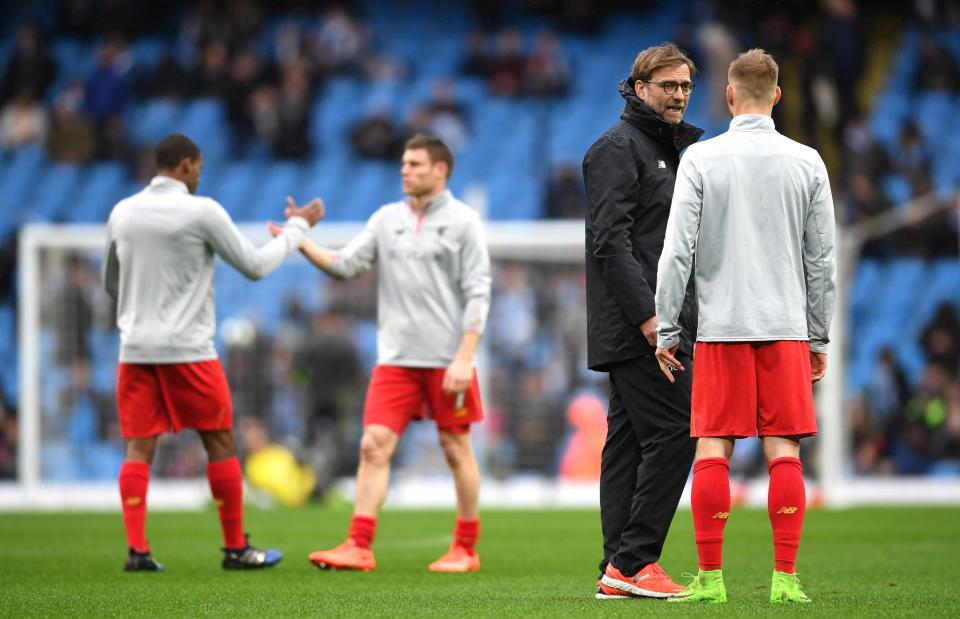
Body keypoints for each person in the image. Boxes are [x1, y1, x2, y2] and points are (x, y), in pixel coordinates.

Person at [654, 49, 836, 604]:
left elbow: (675, 252)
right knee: (785, 450)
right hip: (783, 327)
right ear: (776, 96)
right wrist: (819, 334)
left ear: (729, 96)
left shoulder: (703, 159)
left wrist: (666, 328)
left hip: (720, 326)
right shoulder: (807, 161)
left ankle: (710, 580)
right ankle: (785, 580)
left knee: (713, 448)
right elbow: (822, 260)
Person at [102, 133, 323, 572]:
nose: (200, 175)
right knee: (220, 441)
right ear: (185, 165)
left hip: (136, 350)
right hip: (189, 351)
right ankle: (236, 548)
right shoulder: (201, 211)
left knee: (138, 447)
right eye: (198, 167)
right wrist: (298, 229)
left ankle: (137, 551)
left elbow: (113, 281)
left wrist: (138, 315)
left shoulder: (121, 212)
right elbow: (257, 267)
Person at [273, 134, 491, 573]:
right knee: (373, 445)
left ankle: (465, 548)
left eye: (414, 164)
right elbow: (343, 265)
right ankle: (359, 544)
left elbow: (478, 292)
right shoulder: (386, 219)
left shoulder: (464, 222)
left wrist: (465, 357)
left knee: (455, 448)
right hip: (395, 361)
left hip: (449, 360)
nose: (404, 170)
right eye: (403, 164)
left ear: (440, 170)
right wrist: (299, 240)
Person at [582, 43, 702, 600]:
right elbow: (611, 243)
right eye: (668, 86)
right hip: (642, 326)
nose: (678, 96)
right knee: (678, 429)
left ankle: (617, 567)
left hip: (659, 320)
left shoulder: (673, 150)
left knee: (628, 443)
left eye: (685, 87)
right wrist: (651, 319)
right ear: (639, 87)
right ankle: (633, 563)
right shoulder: (617, 149)